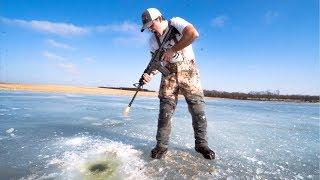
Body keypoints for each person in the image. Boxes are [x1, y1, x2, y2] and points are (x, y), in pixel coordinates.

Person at [140, 8, 215, 160]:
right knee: (165, 111)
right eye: (147, 27)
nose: (150, 28)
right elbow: (156, 62)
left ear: (159, 19)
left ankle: (201, 145)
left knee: (197, 109)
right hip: (168, 73)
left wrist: (173, 49)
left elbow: (193, 34)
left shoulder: (176, 22)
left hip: (188, 70)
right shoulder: (152, 41)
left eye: (151, 24)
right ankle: (161, 146)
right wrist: (148, 75)